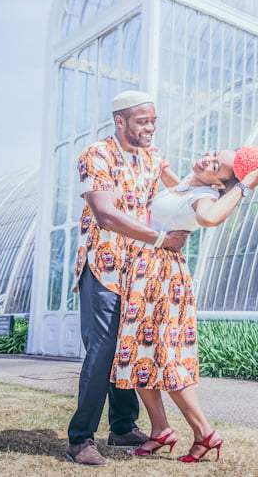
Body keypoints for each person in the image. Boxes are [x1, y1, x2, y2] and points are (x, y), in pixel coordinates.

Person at [118, 145, 258, 463]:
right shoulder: (188, 185)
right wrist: (152, 158)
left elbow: (208, 218)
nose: (209, 159)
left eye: (217, 165)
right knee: (138, 356)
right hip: (144, 273)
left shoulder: (207, 197)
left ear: (219, 184)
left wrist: (244, 187)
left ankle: (205, 434)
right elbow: (173, 188)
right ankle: (160, 430)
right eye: (214, 153)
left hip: (162, 277)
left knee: (166, 358)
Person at [66, 90, 191, 466]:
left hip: (138, 272)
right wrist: (160, 238)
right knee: (103, 351)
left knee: (129, 349)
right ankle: (79, 439)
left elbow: (186, 189)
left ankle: (122, 427)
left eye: (153, 120)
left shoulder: (152, 159)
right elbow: (104, 214)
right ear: (120, 121)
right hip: (103, 267)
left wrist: (238, 183)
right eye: (142, 121)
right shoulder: (96, 155)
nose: (150, 127)